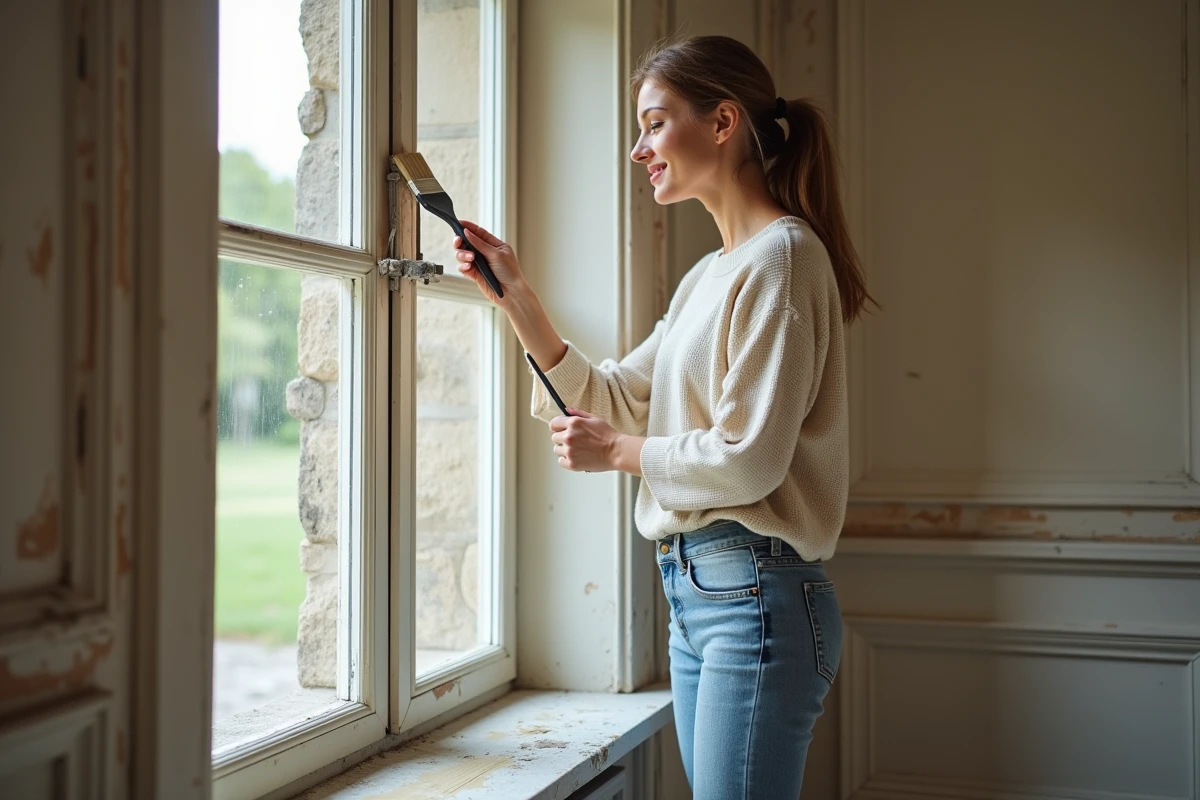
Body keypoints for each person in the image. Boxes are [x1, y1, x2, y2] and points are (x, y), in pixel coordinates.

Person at [451, 34, 874, 800]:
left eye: (653, 122)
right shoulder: (710, 275)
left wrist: (618, 453)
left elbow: (748, 459)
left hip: (755, 596)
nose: (639, 149)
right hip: (699, 595)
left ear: (722, 122)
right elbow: (614, 394)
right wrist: (518, 298)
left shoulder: (783, 260)